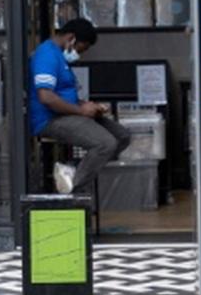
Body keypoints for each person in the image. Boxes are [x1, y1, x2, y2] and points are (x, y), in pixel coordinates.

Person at [29, 16, 128, 197]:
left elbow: (63, 94)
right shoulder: (47, 55)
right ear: (71, 38)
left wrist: (88, 105)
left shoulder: (60, 56)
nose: (79, 54)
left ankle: (73, 170)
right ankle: (71, 188)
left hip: (69, 113)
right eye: (80, 49)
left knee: (122, 136)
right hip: (51, 119)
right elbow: (47, 97)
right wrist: (81, 110)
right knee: (105, 144)